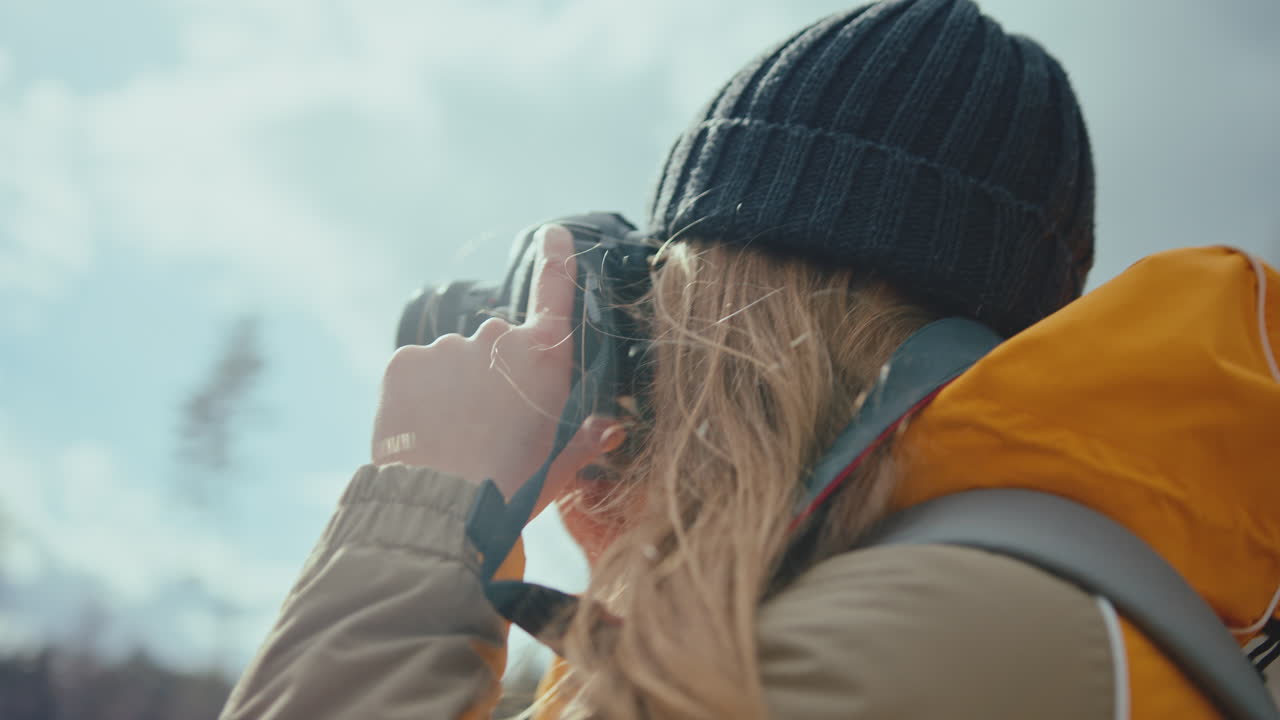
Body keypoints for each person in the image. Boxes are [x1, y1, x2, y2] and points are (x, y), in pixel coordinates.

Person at [221, 0, 1280, 718]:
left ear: (737, 299)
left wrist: (425, 503)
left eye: (668, 285)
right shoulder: (981, 603)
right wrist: (644, 539)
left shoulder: (933, 636)